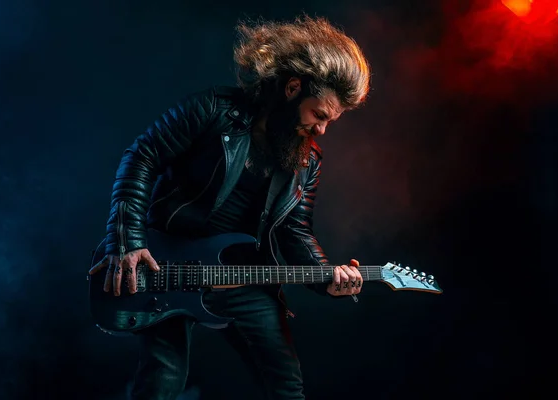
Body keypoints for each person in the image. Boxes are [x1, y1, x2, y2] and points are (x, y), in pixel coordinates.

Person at [89, 15, 371, 400]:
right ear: (292, 88)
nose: (322, 129)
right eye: (319, 115)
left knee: (286, 383)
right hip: (168, 263)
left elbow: (295, 231)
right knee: (164, 377)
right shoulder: (214, 109)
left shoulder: (308, 162)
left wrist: (328, 279)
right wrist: (127, 240)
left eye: (330, 121)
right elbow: (142, 156)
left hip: (241, 275)